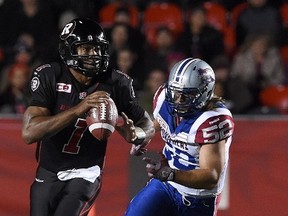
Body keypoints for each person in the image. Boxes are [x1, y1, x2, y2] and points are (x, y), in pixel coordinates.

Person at [21, 17, 155, 216]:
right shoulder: (50, 76)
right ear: (69, 50)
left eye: (96, 49)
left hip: (86, 172)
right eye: (85, 49)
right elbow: (29, 133)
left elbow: (148, 124)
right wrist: (77, 110)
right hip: (48, 171)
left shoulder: (116, 83)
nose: (93, 55)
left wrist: (135, 135)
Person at [125, 58, 235, 216]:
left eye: (187, 95)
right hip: (166, 185)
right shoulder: (164, 98)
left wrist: (170, 173)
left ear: (204, 93)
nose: (178, 100)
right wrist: (144, 135)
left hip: (198, 199)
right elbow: (160, 121)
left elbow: (211, 176)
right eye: (176, 93)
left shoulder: (212, 120)